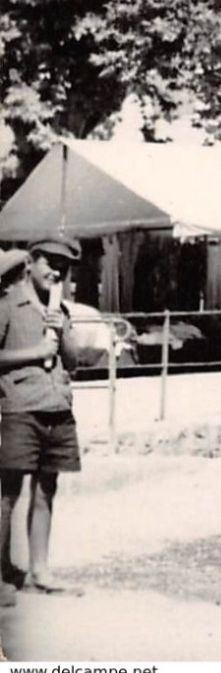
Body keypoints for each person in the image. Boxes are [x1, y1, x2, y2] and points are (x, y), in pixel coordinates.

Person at [0, 238, 86, 600]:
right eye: (50, 263)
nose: (56, 272)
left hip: (58, 407)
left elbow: (75, 361)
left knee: (46, 490)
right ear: (31, 262)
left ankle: (40, 571)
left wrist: (62, 331)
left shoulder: (60, 310)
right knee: (7, 494)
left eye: (63, 268)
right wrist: (33, 351)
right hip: (21, 407)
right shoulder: (7, 305)